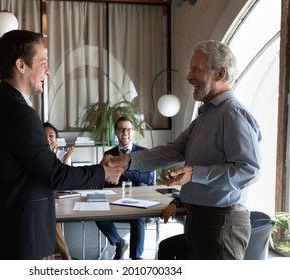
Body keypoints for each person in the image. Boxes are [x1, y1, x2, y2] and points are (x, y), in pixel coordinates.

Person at [106, 40, 261, 260]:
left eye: (196, 69)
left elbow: (249, 170)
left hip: (221, 223)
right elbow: (172, 151)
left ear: (220, 73)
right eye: (190, 69)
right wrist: (126, 160)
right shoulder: (206, 115)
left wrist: (194, 173)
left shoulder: (233, 113)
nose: (188, 76)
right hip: (200, 219)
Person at [0, 30, 123, 260]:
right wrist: (102, 172)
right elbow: (55, 176)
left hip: (9, 231)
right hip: (20, 237)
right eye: (43, 62)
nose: (47, 70)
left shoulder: (0, 106)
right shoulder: (18, 113)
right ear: (21, 65)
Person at [96, 116, 154, 260]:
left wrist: (124, 170)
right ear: (116, 132)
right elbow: (104, 180)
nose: (125, 132)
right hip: (114, 200)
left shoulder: (143, 153)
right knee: (96, 213)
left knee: (138, 217)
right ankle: (119, 242)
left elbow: (148, 178)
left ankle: (136, 259)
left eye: (128, 129)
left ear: (132, 131)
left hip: (138, 201)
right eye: (121, 129)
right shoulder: (109, 155)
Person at [43, 121, 74, 260]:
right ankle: (65, 255)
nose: (48, 139)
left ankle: (59, 256)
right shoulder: (35, 157)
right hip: (44, 200)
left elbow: (65, 185)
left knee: (49, 219)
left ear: (56, 139)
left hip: (60, 200)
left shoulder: (62, 154)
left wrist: (65, 163)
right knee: (49, 219)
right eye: (44, 136)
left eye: (51, 136)